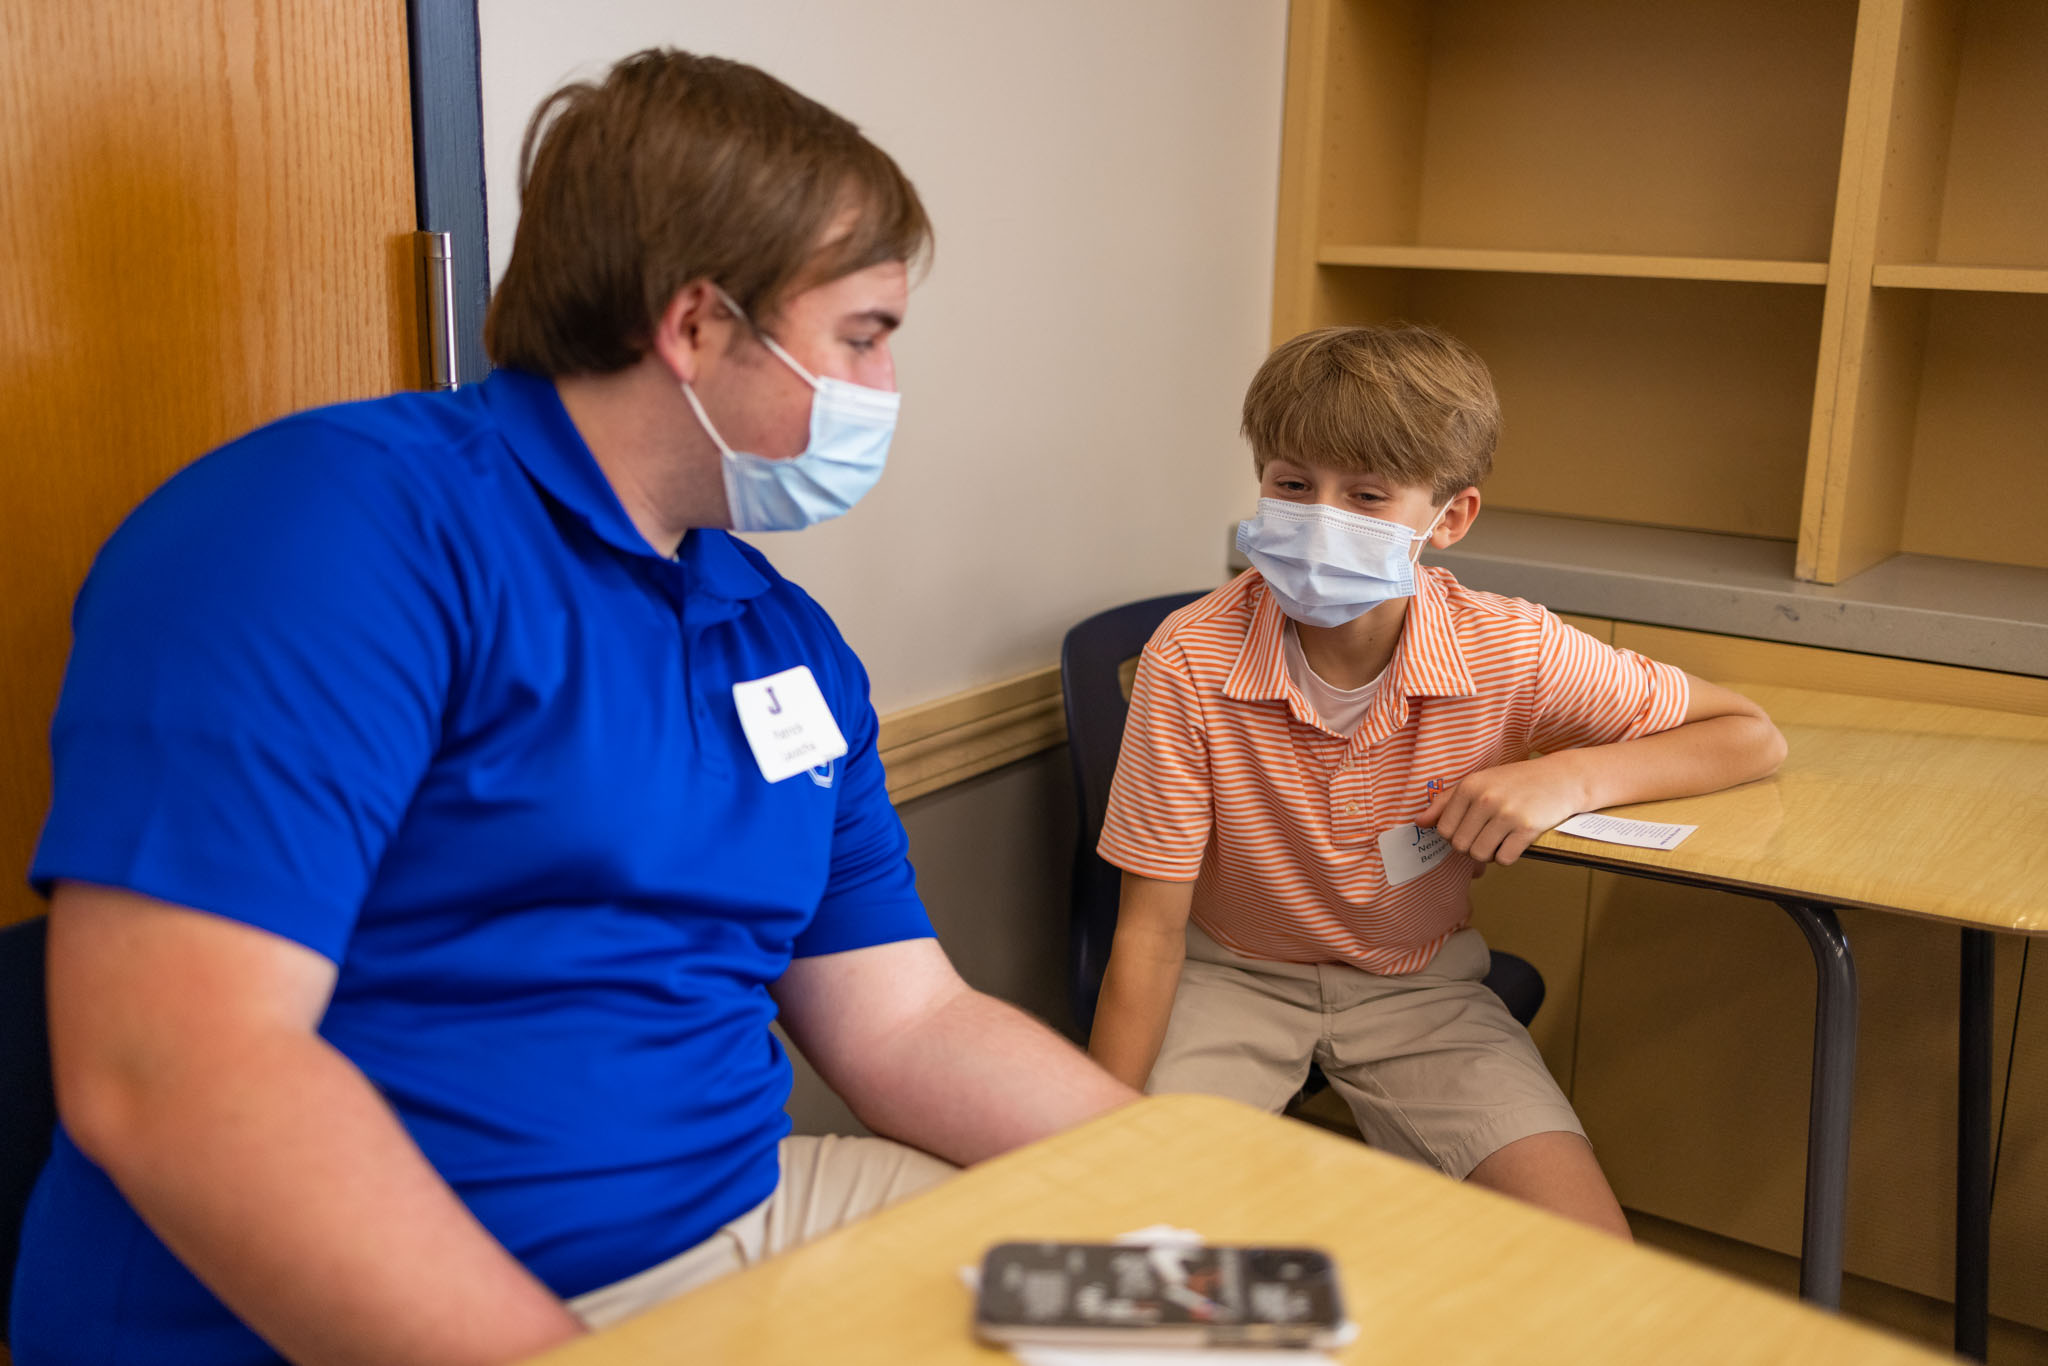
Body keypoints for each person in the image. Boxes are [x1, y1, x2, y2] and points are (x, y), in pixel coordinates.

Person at [15, 50, 1134, 1366]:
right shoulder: (332, 530)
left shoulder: (780, 636)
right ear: (698, 325)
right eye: (862, 337)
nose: (883, 392)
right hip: (355, 1303)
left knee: (1217, 1303)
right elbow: (173, 1073)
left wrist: (1193, 1172)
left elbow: (906, 1021)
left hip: (736, 1217)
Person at [1085, 324, 1785, 1238]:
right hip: (1230, 978)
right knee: (1123, 1229)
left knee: (1591, 1254)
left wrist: (1569, 777)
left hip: (1421, 989)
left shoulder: (1507, 647)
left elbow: (1748, 736)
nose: (1322, 516)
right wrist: (1092, 1142)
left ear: (1448, 519)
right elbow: (1148, 937)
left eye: (1367, 494)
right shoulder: (1190, 657)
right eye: (1293, 484)